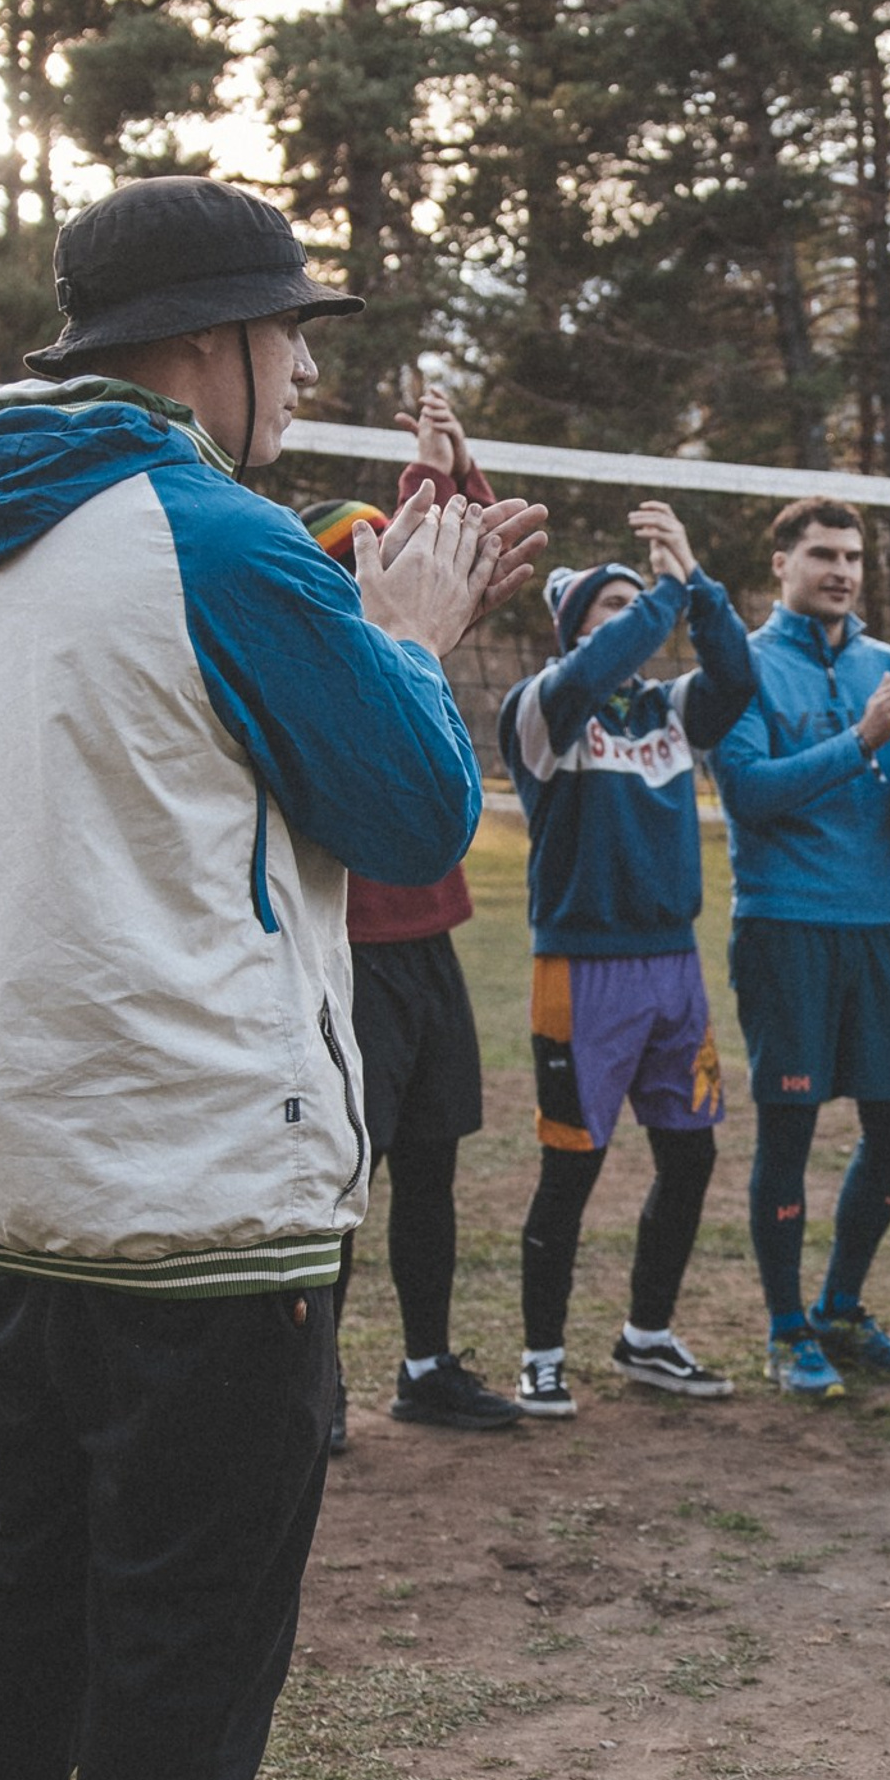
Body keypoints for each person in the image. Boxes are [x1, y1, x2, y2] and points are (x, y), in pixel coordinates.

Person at [0, 175, 544, 1780]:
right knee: (186, 1620)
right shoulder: (209, 533)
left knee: (25, 1585)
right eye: (292, 336)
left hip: (33, 1155)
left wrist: (350, 607)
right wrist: (413, 631)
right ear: (205, 355)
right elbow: (417, 800)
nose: (311, 369)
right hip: (202, 1172)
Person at [497, 500, 757, 1414]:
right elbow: (600, 660)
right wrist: (666, 594)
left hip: (672, 969)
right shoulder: (540, 711)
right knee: (571, 1168)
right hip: (581, 971)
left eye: (634, 602)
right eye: (610, 605)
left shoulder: (669, 713)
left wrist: (701, 590)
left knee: (689, 1159)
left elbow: (736, 676)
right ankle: (540, 1354)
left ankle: (647, 1336)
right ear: (576, 628)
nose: (631, 616)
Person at [297, 385, 521, 1447]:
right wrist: (422, 486)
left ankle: (426, 1365)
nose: (394, 563)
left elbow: (464, 560)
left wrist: (446, 468)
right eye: (369, 554)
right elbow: (386, 567)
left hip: (427, 945)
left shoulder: (404, 651)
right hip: (351, 959)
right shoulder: (321, 654)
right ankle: (314, 1386)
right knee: (348, 1178)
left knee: (432, 1162)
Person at [712, 497, 890, 1397]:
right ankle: (785, 1329)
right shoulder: (742, 663)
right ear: (782, 563)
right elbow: (747, 794)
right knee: (789, 1128)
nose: (842, 571)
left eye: (852, 557)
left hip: (879, 928)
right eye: (822, 555)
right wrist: (864, 737)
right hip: (784, 927)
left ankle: (842, 1307)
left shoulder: (889, 665)